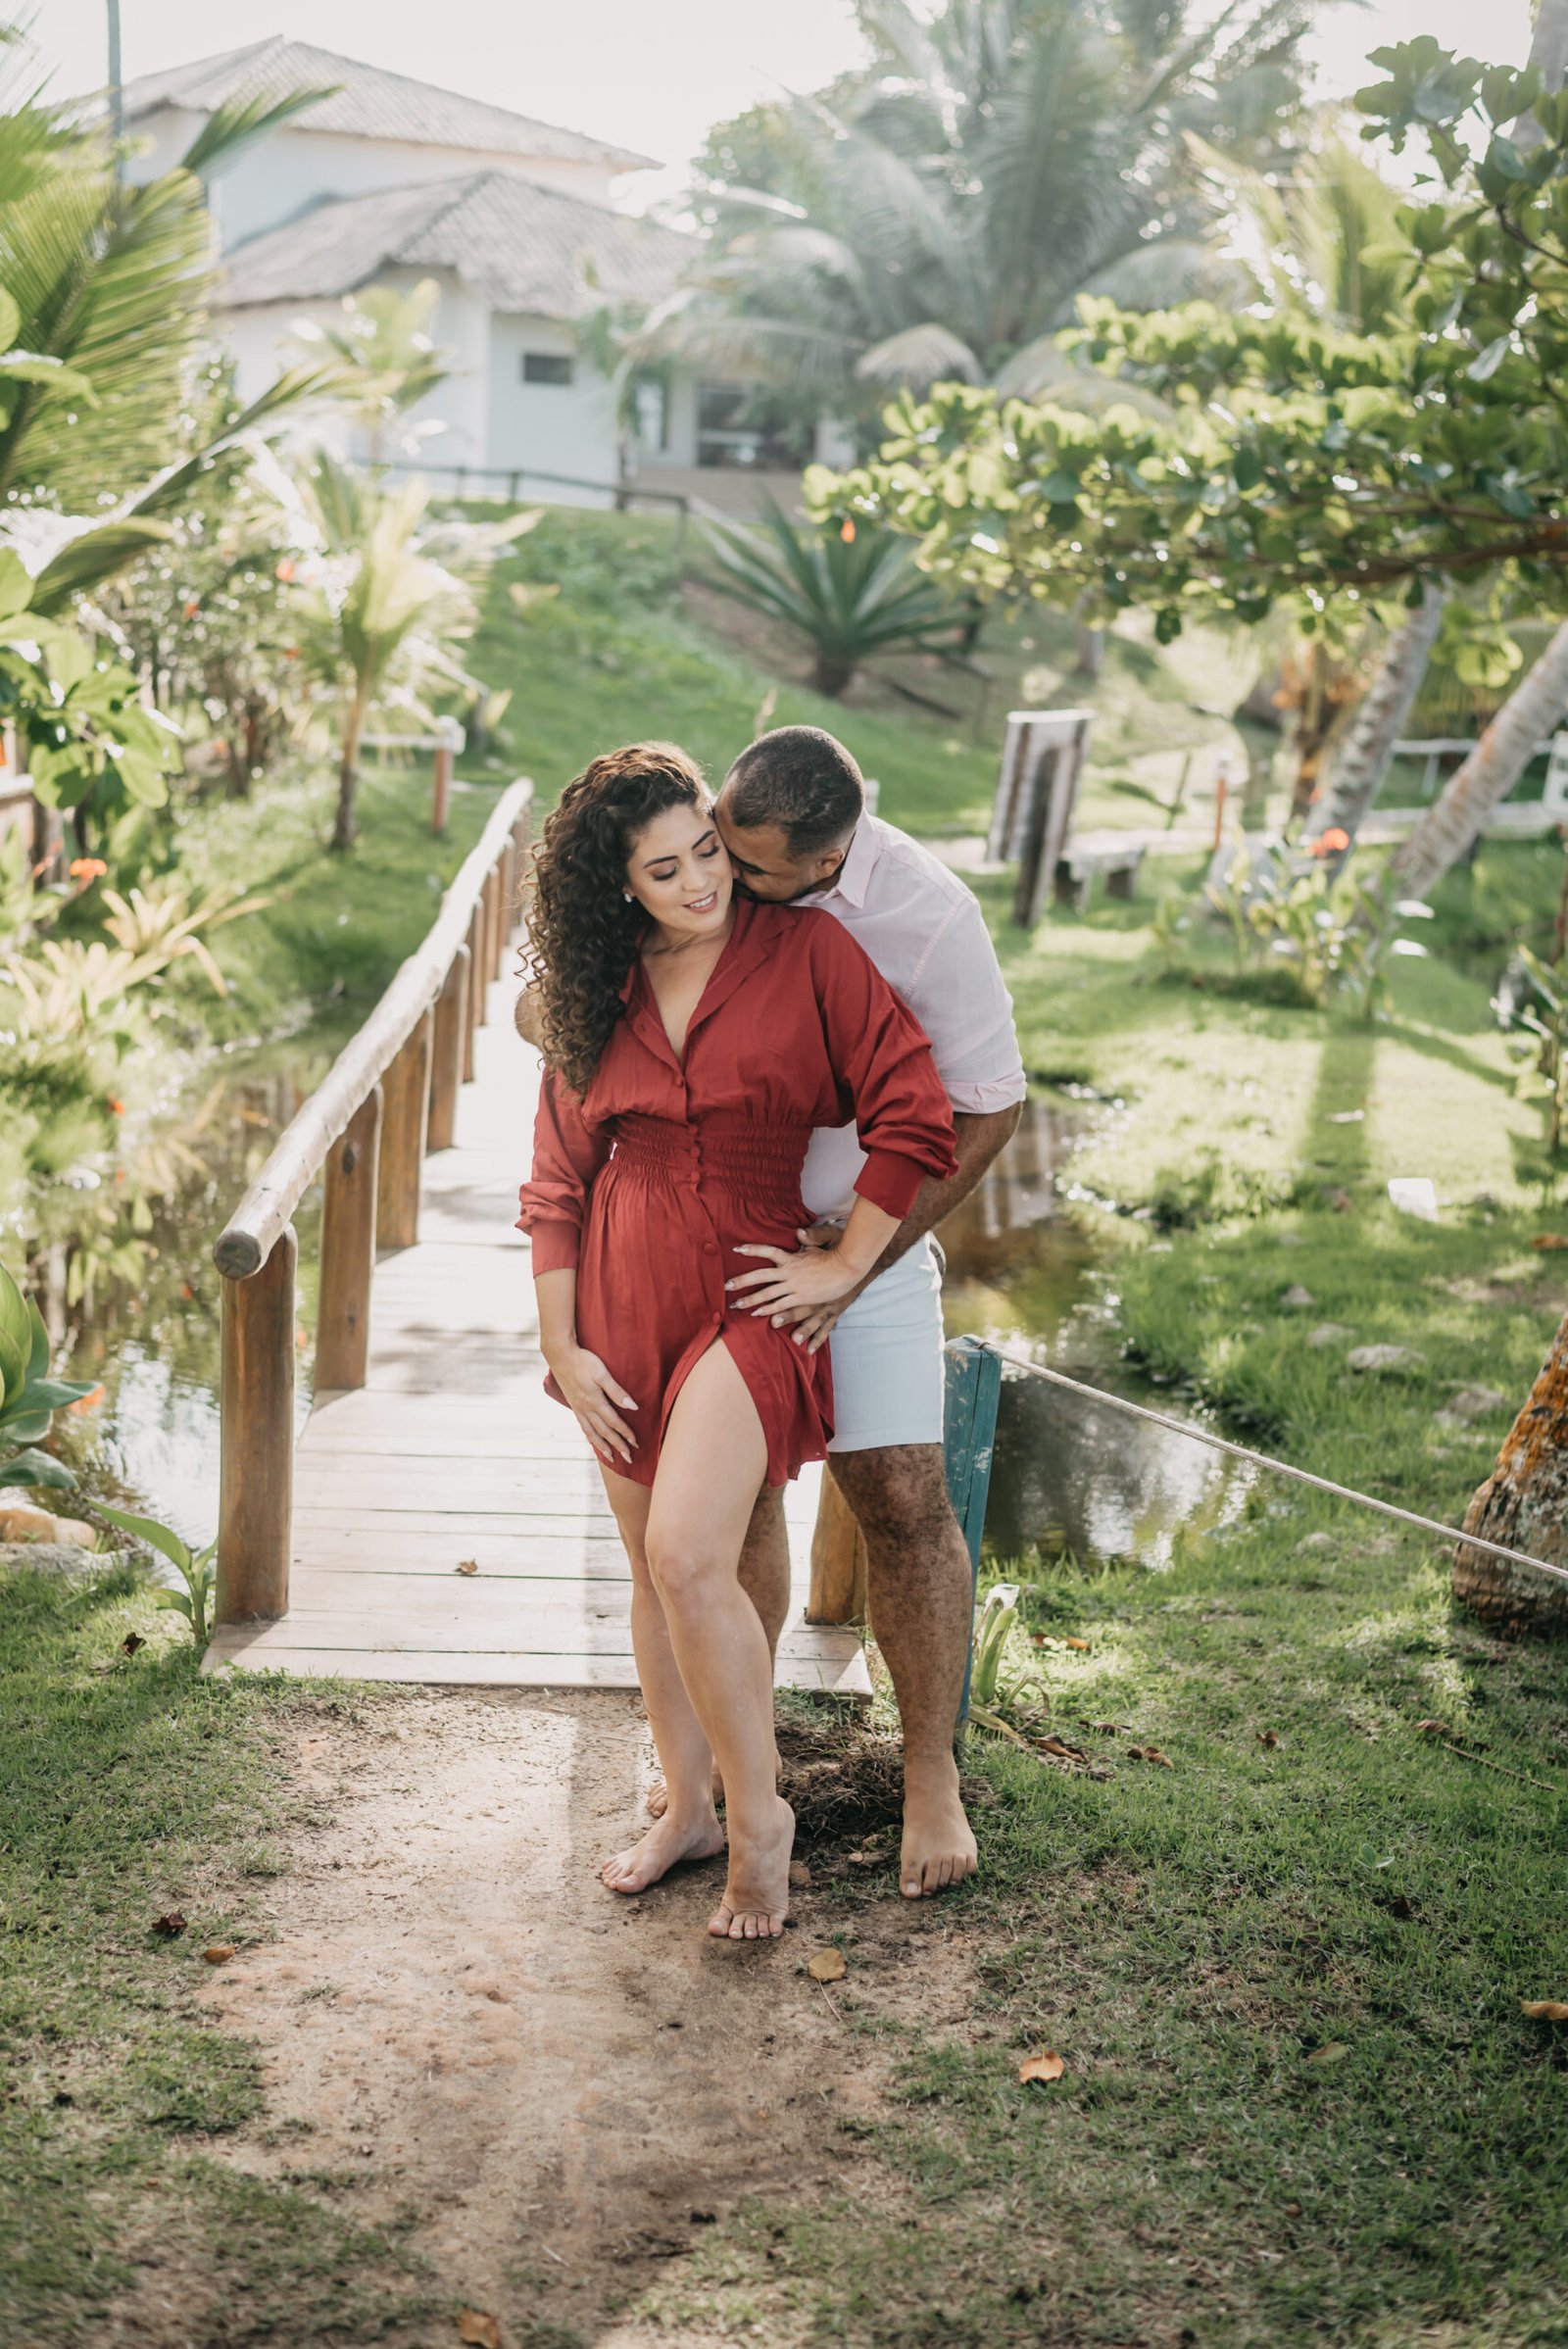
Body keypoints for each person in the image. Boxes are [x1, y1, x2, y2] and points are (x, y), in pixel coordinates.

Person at [514, 742, 956, 1941]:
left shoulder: (808, 953)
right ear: (620, 887)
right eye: (664, 871)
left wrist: (848, 1262)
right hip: (617, 1299)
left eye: (706, 851)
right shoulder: (599, 986)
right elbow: (555, 1181)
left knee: (687, 1555)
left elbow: (915, 1108)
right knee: (649, 1572)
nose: (701, 881)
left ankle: (763, 1820)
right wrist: (562, 1348)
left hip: (751, 1290)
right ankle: (691, 1809)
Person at [704, 725, 1026, 1903]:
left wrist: (858, 1259)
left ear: (827, 859)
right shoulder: (709, 855)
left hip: (865, 1249)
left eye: (752, 870)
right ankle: (742, 1768)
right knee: (736, 1499)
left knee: (900, 1497)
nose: (724, 880)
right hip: (723, 1241)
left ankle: (928, 1772)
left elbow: (988, 1105)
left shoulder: (927, 918)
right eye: (720, 845)